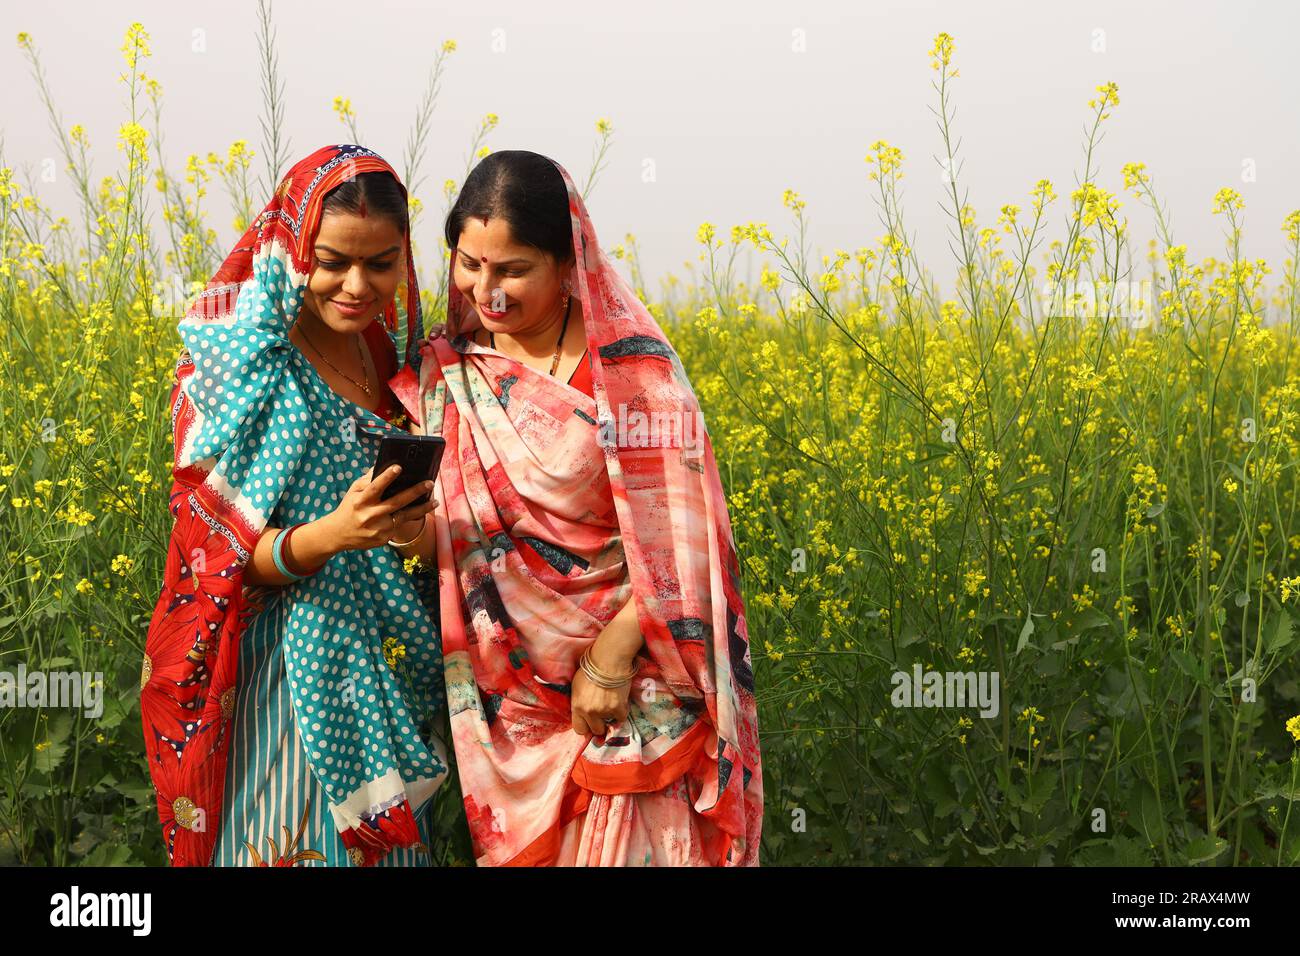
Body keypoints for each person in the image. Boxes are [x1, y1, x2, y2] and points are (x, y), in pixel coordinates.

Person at [388, 149, 762, 865]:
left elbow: (688, 542)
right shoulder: (447, 372)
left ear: (569, 262)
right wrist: (408, 532)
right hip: (516, 705)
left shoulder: (631, 373)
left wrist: (615, 655)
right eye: (469, 263)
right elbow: (451, 538)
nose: (485, 290)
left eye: (512, 269)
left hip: (638, 684)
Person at [141, 144, 449, 867]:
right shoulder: (247, 361)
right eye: (332, 260)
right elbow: (214, 556)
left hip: (383, 659)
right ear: (290, 245)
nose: (355, 284)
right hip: (280, 676)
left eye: (380, 264)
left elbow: (420, 532)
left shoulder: (394, 352)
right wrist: (331, 536)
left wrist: (403, 533)